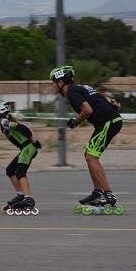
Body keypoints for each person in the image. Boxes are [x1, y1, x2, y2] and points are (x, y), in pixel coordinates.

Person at [49, 65, 123, 207]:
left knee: (91, 157)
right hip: (110, 120)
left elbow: (87, 110)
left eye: (54, 81)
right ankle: (97, 192)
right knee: (88, 155)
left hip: (108, 122)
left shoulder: (71, 92)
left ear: (62, 81)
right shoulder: (82, 88)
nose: (52, 85)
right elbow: (106, 99)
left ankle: (107, 194)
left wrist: (76, 122)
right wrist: (113, 103)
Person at [0, 100, 42, 214]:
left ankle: (28, 198)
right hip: (26, 148)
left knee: (20, 172)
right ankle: (20, 195)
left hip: (28, 147)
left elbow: (22, 127)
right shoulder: (4, 122)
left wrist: (34, 141)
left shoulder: (4, 122)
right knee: (10, 170)